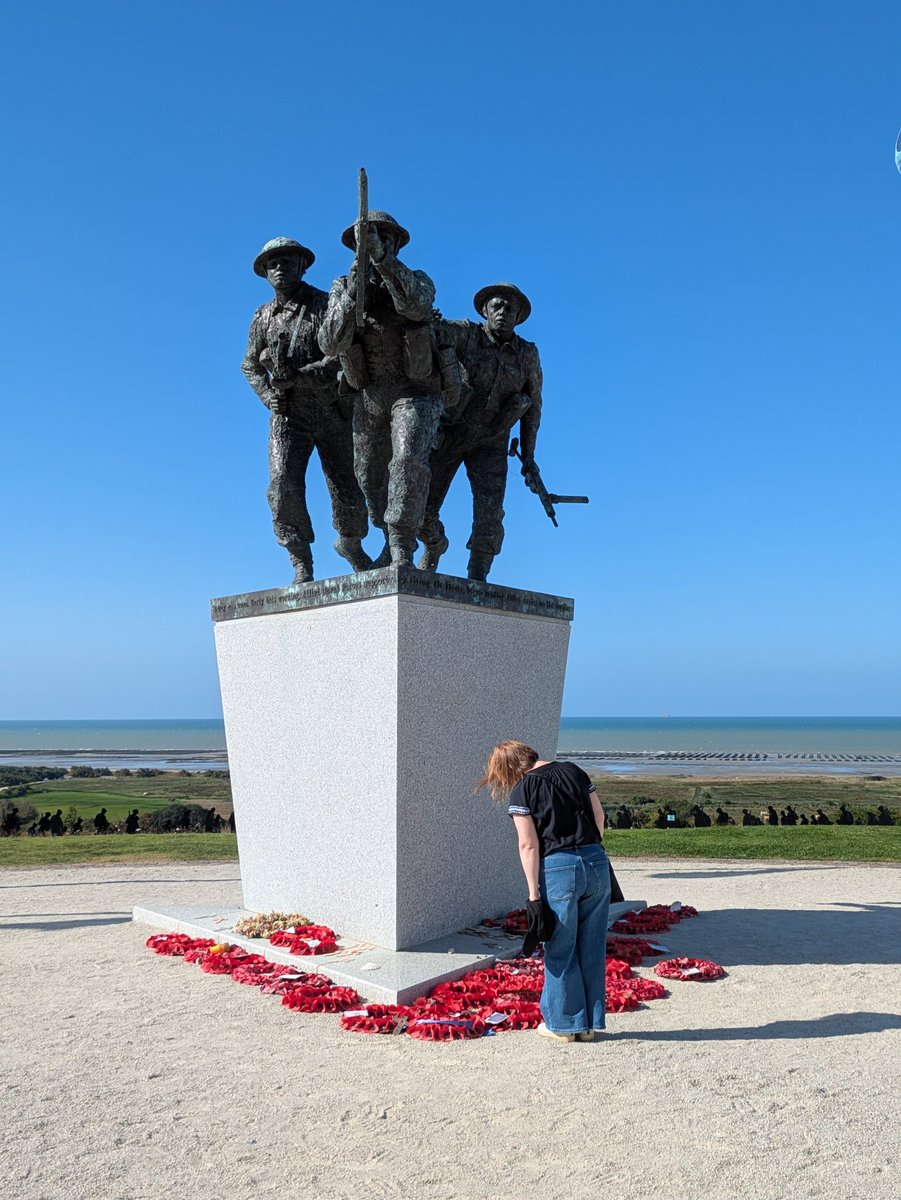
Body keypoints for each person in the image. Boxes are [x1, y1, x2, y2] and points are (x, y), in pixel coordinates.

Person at [242, 237, 372, 582]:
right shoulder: (262, 317)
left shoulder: (325, 305)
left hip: (332, 408)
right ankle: (300, 558)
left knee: (347, 487)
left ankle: (351, 543)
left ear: (302, 266)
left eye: (287, 261)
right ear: (265, 273)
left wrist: (301, 376)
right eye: (272, 263)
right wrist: (267, 395)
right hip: (288, 414)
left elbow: (341, 355)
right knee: (282, 484)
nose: (280, 268)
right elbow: (249, 365)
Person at [319, 211, 442, 565]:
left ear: (397, 245)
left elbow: (416, 306)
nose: (374, 244)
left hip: (414, 392)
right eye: (368, 239)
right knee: (370, 482)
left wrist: (384, 261)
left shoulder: (418, 279)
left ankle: (401, 546)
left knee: (406, 463)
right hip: (370, 396)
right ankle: (410, 536)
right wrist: (353, 291)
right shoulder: (343, 286)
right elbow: (329, 342)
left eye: (384, 238)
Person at [479, 740, 611, 1044]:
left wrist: (533, 894)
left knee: (561, 947)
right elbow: (599, 818)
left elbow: (528, 845)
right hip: (596, 861)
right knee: (592, 945)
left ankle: (564, 1025)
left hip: (559, 867)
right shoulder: (575, 771)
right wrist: (588, 850)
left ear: (510, 769)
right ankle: (588, 1025)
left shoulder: (523, 788)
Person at [419, 283, 543, 580]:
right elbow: (431, 331)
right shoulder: (467, 333)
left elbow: (533, 407)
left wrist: (529, 457)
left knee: (490, 514)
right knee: (420, 509)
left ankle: (478, 574)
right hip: (451, 432)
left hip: (492, 440)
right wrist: (427, 317)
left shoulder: (527, 354)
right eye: (496, 306)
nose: (503, 313)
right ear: (485, 310)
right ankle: (435, 543)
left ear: (518, 316)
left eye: (510, 309)